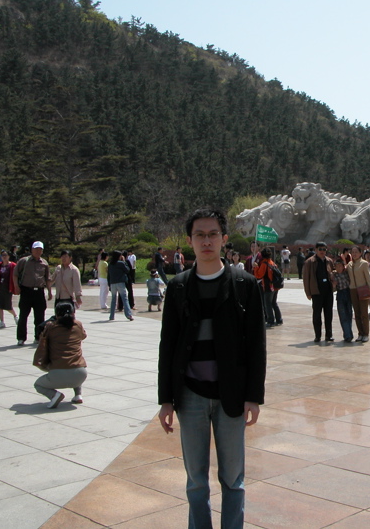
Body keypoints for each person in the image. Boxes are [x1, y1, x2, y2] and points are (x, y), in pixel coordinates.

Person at [158, 208, 266, 529]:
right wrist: (166, 399)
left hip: (231, 394)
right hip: (190, 395)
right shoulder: (178, 287)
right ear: (190, 241)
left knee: (233, 478)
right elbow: (168, 346)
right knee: (195, 479)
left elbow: (256, 345)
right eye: (200, 235)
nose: (207, 241)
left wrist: (253, 396)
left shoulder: (245, 284)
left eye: (213, 234)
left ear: (224, 239)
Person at [33, 302, 87, 408]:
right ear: (73, 313)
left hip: (57, 373)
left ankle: (54, 395)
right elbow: (83, 336)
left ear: (56, 315)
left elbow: (41, 338)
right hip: (80, 374)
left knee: (38, 384)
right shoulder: (78, 324)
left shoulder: (51, 327)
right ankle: (78, 395)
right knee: (76, 361)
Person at [14, 241, 52, 346]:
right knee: (23, 316)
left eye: (40, 249)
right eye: (36, 249)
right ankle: (21, 338)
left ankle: (38, 337)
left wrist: (49, 291)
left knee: (40, 316)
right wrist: (16, 286)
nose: (38, 251)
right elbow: (15, 274)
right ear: (32, 250)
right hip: (26, 291)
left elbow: (47, 278)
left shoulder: (44, 263)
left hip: (39, 292)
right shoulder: (24, 261)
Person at [302, 241, 335, 343]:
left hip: (328, 292)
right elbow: (306, 279)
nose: (322, 251)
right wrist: (308, 293)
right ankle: (317, 335)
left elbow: (333, 273)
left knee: (328, 314)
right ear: (316, 250)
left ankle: (328, 335)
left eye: (324, 249)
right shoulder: (309, 262)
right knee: (317, 315)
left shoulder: (329, 261)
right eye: (320, 249)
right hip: (316, 292)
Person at [347, 245, 370, 343]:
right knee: (357, 313)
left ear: (361, 253)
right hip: (353, 290)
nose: (354, 254)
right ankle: (360, 333)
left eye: (356, 252)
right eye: (352, 252)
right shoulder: (349, 264)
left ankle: (366, 334)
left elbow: (368, 278)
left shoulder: (364, 264)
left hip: (363, 289)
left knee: (364, 313)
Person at [254, 248, 282, 327]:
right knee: (274, 303)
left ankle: (270, 320)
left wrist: (256, 267)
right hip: (275, 286)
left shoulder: (264, 264)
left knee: (267, 304)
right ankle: (279, 319)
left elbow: (259, 275)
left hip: (268, 286)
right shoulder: (272, 262)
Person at [0, 250, 18, 328]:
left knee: (8, 305)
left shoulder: (12, 265)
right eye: (2, 255)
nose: (4, 257)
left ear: (8, 256)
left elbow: (16, 275)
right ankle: (1, 321)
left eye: (5, 255)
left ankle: (15, 316)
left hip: (8, 288)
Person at [107, 250, 133, 321]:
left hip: (112, 283)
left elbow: (108, 275)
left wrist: (109, 284)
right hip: (120, 282)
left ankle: (111, 316)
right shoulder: (121, 263)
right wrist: (124, 261)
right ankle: (128, 315)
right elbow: (127, 270)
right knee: (125, 299)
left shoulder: (110, 264)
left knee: (113, 300)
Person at [333, 259, 354, 342]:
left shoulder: (347, 273)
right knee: (343, 315)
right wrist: (334, 285)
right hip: (340, 294)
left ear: (343, 266)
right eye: (336, 266)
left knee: (349, 314)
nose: (338, 268)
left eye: (340, 266)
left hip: (348, 294)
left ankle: (347, 334)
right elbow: (333, 289)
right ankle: (348, 335)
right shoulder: (334, 275)